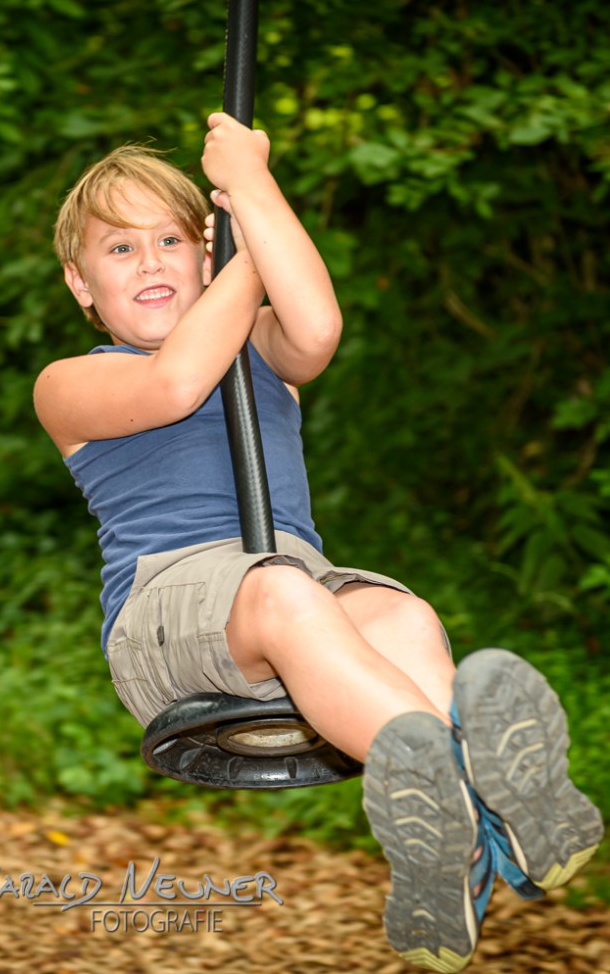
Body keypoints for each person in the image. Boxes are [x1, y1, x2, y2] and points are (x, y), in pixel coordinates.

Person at [33, 112, 603, 972]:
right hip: (170, 611)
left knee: (404, 617)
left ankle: (445, 854)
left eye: (169, 240)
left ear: (205, 254)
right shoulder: (72, 383)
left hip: (297, 579)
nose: (149, 261)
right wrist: (245, 253)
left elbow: (318, 327)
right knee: (283, 592)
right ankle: (473, 788)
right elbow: (181, 381)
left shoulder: (261, 347)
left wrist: (255, 192)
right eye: (119, 250)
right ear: (81, 285)